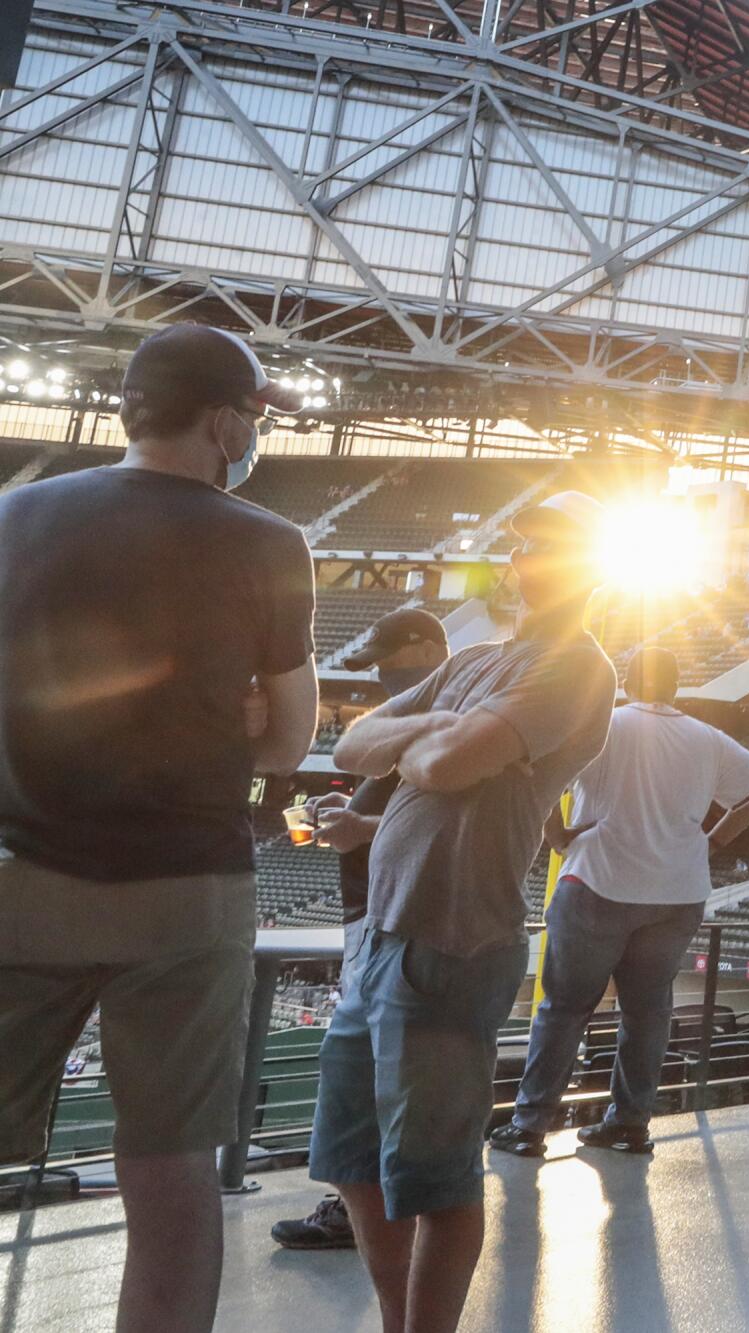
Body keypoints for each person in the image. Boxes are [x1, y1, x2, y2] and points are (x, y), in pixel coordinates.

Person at [0, 324, 317, 1333]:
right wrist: (233, 716)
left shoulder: (16, 515)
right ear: (225, 418)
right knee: (170, 1171)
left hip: (22, 873)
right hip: (185, 887)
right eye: (253, 418)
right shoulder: (267, 541)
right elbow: (288, 743)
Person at [308, 491, 615, 1333]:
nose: (526, 562)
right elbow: (351, 743)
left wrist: (432, 741)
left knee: (439, 1179)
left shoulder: (579, 668)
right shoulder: (473, 661)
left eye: (548, 549)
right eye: (522, 547)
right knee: (354, 1162)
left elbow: (447, 766)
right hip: (381, 937)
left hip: (453, 940)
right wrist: (440, 726)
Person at [490, 647, 749, 1157]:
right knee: (648, 1014)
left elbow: (532, 775)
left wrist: (558, 836)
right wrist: (713, 840)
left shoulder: (603, 724)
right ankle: (629, 1124)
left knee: (563, 1010)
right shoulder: (705, 737)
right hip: (678, 893)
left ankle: (530, 1127)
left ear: (625, 682)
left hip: (598, 881)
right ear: (677, 684)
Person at [273, 608, 451, 1252]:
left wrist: (362, 829)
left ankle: (371, 1213)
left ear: (432, 647)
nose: (380, 674)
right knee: (364, 1077)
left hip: (401, 922)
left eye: (392, 658)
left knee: (380, 1079)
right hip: (369, 914)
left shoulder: (448, 720)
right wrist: (346, 814)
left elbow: (454, 826)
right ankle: (365, 1208)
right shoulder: (400, 722)